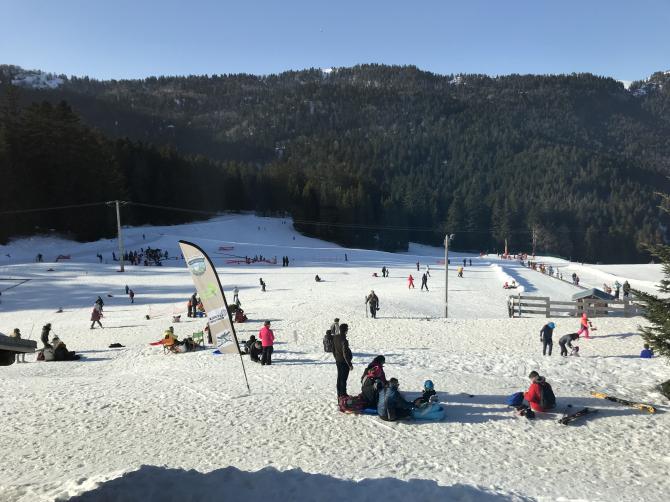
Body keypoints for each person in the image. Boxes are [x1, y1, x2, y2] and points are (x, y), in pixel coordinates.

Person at [332, 323, 353, 397]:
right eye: (347, 329)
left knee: (339, 378)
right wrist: (349, 364)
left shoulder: (335, 337)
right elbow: (345, 353)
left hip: (338, 361)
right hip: (344, 362)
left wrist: (336, 357)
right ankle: (343, 394)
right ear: (345, 330)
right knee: (343, 379)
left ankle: (339, 394)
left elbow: (333, 349)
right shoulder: (344, 340)